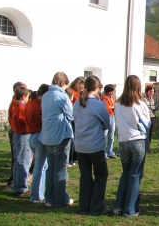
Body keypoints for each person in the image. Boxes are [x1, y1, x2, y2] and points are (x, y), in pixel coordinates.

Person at [113, 75, 151, 217]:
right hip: (137, 140)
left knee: (126, 174)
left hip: (123, 141)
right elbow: (147, 123)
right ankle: (130, 209)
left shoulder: (118, 103)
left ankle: (118, 207)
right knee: (135, 175)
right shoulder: (140, 104)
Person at [73, 76, 111, 215]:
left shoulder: (77, 103)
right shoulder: (98, 104)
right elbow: (107, 123)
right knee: (101, 174)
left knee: (85, 176)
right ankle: (96, 206)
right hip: (95, 146)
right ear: (97, 88)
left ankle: (84, 206)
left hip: (80, 145)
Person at [39, 71, 74, 207]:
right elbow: (70, 116)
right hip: (60, 135)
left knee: (51, 167)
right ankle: (61, 199)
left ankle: (49, 198)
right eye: (66, 85)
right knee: (60, 169)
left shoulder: (46, 95)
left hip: (47, 135)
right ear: (62, 83)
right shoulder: (62, 96)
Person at [26, 84, 50, 203]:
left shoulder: (31, 102)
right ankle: (36, 195)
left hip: (33, 136)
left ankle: (39, 193)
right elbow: (43, 120)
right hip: (39, 136)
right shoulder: (38, 105)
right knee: (40, 167)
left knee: (41, 166)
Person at [10, 86, 30, 197]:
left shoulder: (15, 106)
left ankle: (17, 185)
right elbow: (24, 121)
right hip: (23, 135)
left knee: (18, 160)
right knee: (23, 161)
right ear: (24, 96)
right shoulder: (21, 108)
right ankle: (21, 187)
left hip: (17, 135)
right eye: (27, 97)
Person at [7, 81, 27, 187]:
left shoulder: (15, 102)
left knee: (17, 157)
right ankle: (15, 182)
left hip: (15, 131)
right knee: (18, 158)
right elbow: (19, 119)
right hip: (18, 132)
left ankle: (15, 181)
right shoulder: (17, 104)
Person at [101, 84, 117, 160]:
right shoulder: (104, 98)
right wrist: (112, 107)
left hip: (113, 116)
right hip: (107, 117)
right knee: (104, 134)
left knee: (111, 136)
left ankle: (110, 152)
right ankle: (103, 153)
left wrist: (112, 107)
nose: (112, 92)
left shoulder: (112, 98)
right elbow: (106, 107)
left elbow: (114, 106)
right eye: (111, 91)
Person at [142, 85, 159, 153]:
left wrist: (153, 107)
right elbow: (145, 107)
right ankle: (146, 148)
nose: (152, 93)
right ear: (147, 91)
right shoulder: (143, 98)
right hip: (147, 117)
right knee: (146, 132)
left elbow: (157, 105)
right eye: (150, 91)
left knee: (150, 134)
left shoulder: (153, 99)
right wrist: (152, 107)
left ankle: (148, 147)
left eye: (153, 91)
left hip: (153, 117)